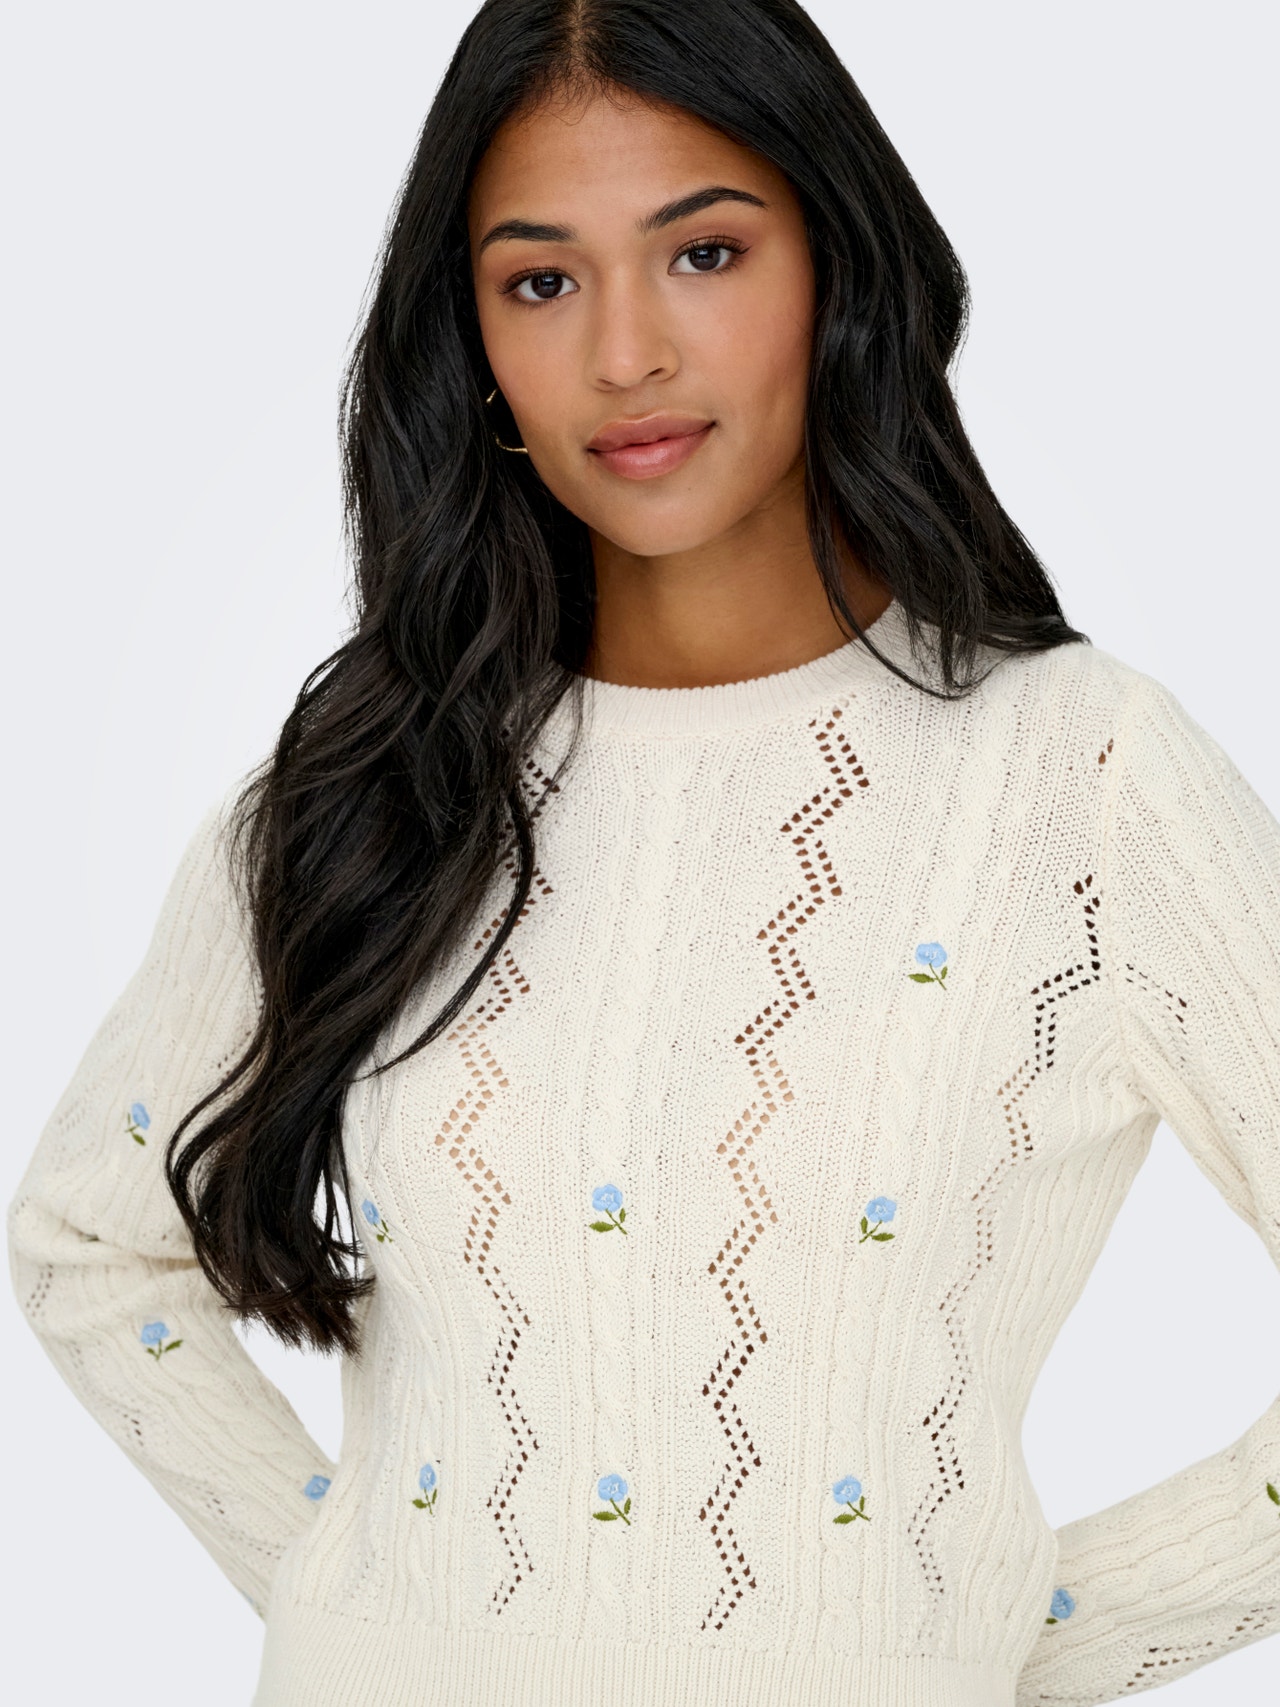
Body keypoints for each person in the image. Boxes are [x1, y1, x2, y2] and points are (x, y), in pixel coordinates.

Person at [9, 0, 1280, 1702]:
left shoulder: (1079, 778)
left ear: (841, 268)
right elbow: (91, 1245)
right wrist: (345, 1581)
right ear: (470, 339)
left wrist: (994, 1646)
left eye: (704, 253)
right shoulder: (373, 785)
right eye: (540, 281)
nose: (625, 355)